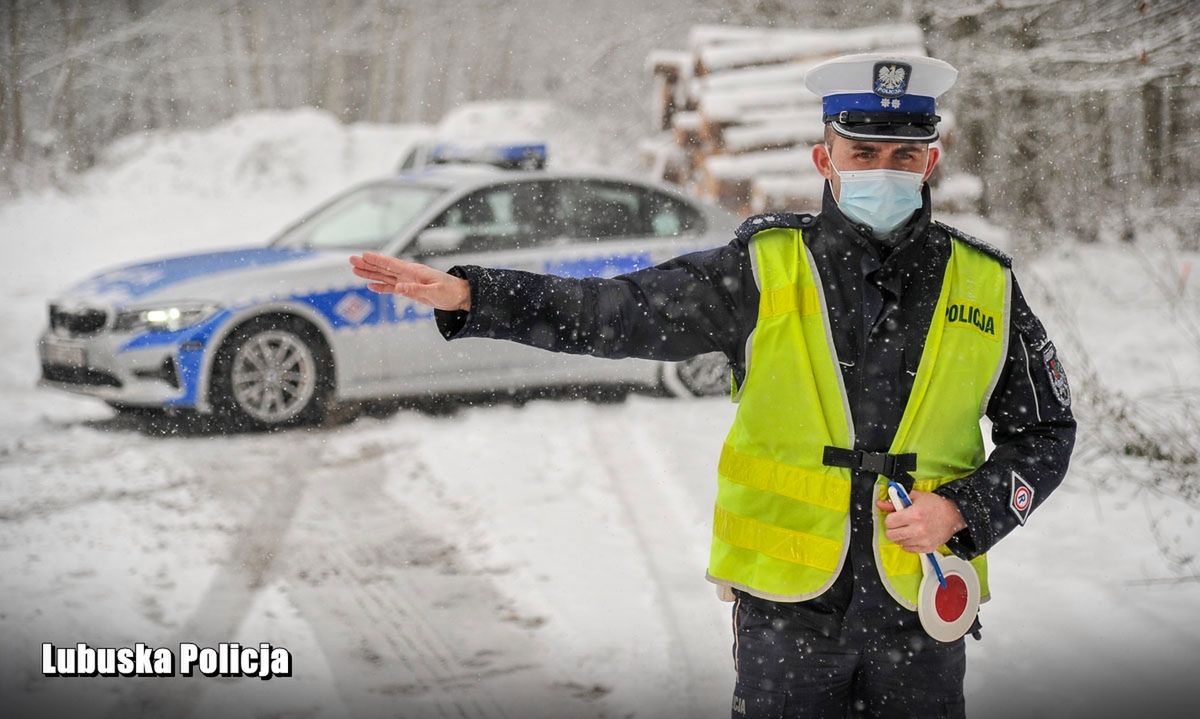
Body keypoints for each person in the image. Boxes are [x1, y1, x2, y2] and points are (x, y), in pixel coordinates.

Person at [349, 52, 1076, 718]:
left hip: (922, 608)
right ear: (826, 158)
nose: (884, 169)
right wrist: (479, 296)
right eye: (864, 152)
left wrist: (960, 509)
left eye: (903, 154)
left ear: (931, 160)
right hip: (789, 616)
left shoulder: (987, 284)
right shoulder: (761, 268)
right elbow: (614, 311)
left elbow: (1045, 433)